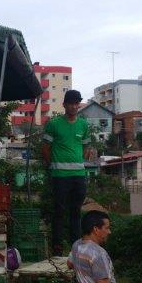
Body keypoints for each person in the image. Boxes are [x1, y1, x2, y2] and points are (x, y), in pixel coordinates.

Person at [40, 89, 96, 256]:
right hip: (60, 177)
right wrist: (54, 164)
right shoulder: (54, 124)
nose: (73, 106)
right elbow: (45, 148)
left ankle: (75, 248)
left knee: (75, 212)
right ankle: (57, 248)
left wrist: (81, 159)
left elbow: (87, 147)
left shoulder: (84, 125)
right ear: (64, 105)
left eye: (76, 103)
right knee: (59, 211)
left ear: (79, 105)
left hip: (79, 176)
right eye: (70, 103)